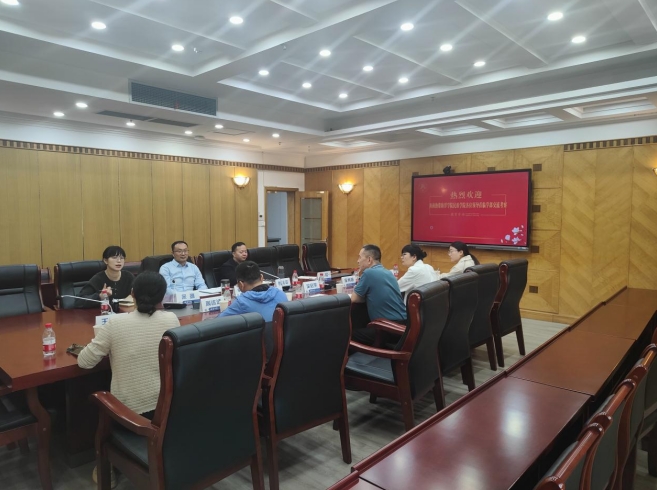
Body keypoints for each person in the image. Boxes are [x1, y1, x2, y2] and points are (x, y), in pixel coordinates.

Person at [78, 272, 180, 487]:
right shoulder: (171, 319)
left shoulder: (115, 323)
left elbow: (85, 362)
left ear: (132, 294)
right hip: (168, 412)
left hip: (131, 418)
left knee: (99, 399)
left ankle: (105, 464)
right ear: (163, 296)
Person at [350, 244, 407, 345]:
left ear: (369, 259)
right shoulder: (388, 273)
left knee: (348, 334)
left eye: (360, 257)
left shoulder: (368, 273)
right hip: (404, 326)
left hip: (389, 328)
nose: (358, 261)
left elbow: (354, 299)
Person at [219, 261, 287, 322]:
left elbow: (217, 323)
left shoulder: (241, 302)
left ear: (240, 284)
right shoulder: (280, 294)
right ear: (262, 277)